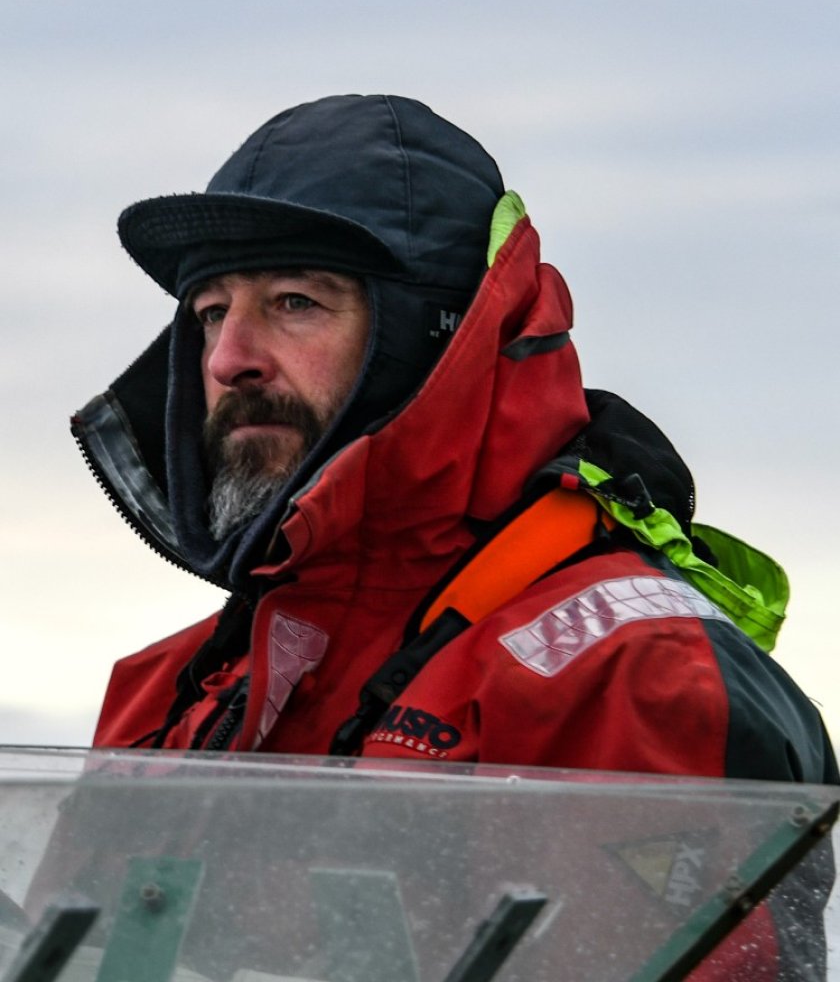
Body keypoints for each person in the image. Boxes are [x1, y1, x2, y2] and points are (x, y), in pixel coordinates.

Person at [73, 95, 836, 969]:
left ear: (437, 339)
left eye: (294, 301)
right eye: (211, 311)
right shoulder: (169, 686)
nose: (227, 357)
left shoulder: (635, 676)